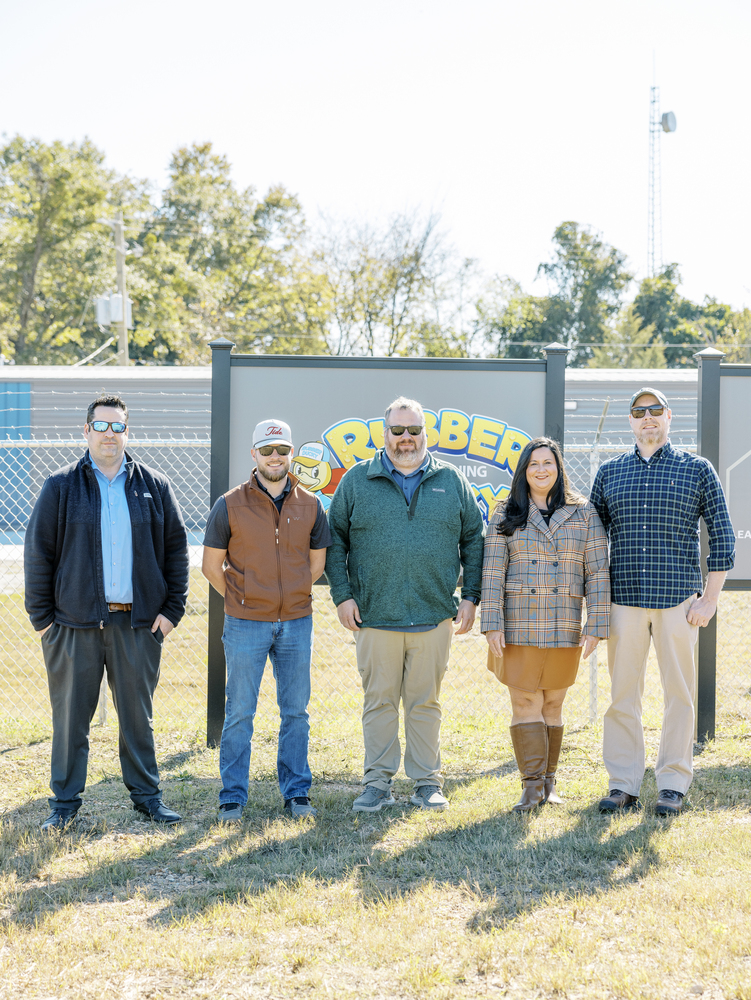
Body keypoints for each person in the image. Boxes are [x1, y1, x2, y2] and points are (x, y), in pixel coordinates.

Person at [24, 393, 189, 831]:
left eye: (118, 427)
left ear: (127, 432)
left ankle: (147, 797)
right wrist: (43, 621)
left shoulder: (154, 485)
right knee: (70, 719)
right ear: (86, 431)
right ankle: (64, 804)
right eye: (101, 426)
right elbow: (38, 553)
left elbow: (175, 551)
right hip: (72, 625)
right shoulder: (61, 485)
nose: (110, 435)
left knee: (138, 717)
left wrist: (172, 611)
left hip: (137, 624)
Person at [325, 396, 484, 813]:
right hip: (375, 617)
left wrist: (470, 597)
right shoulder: (357, 480)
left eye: (414, 430)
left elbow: (473, 540)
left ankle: (427, 782)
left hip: (433, 616)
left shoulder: (451, 480)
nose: (406, 439)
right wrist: (342, 596)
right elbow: (334, 540)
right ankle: (376, 782)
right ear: (385, 434)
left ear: (425, 435)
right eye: (398, 431)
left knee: (424, 703)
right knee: (378, 702)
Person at [591, 388, 735, 816]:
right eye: (639, 412)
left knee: (679, 695)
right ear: (631, 421)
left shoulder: (697, 469)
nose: (648, 418)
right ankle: (624, 784)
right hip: (626, 601)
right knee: (622, 697)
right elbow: (594, 544)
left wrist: (709, 599)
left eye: (656, 410)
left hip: (678, 602)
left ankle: (672, 782)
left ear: (669, 417)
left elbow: (723, 536)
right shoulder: (610, 473)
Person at [202, 418, 331, 822]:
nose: (275, 458)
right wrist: (244, 599)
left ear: (291, 454)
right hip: (245, 623)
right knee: (240, 710)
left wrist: (286, 594)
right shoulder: (229, 504)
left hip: (295, 621)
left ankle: (296, 793)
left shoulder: (311, 504)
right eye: (267, 450)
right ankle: (232, 796)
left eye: (282, 451)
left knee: (296, 711)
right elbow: (210, 566)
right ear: (253, 454)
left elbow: (316, 563)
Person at [481, 437, 610, 812]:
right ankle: (531, 787)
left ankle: (550, 785)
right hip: (518, 621)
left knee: (553, 703)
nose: (541, 470)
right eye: (534, 464)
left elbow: (598, 571)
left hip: (564, 621)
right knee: (524, 700)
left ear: (558, 469)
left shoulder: (583, 512)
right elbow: (492, 571)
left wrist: (596, 623)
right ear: (524, 470)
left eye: (548, 463)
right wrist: (491, 622)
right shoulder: (505, 511)